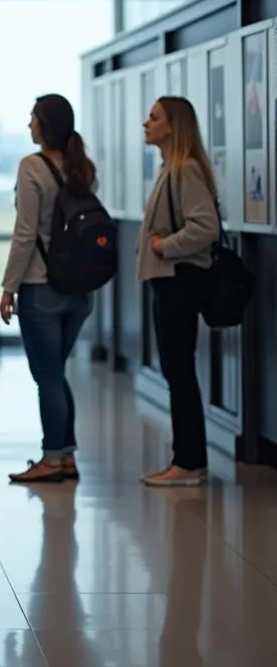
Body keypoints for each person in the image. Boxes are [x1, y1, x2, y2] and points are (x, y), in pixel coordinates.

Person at [0, 94, 96, 484]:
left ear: (45, 124)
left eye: (33, 118)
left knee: (48, 377)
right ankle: (66, 456)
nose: (28, 125)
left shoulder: (32, 166)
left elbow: (25, 233)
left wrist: (9, 287)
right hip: (79, 289)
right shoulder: (81, 166)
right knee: (57, 373)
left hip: (41, 287)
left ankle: (52, 458)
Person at [138, 96, 219, 487]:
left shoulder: (184, 169)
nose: (146, 123)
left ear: (173, 126)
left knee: (179, 371)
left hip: (179, 281)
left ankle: (187, 463)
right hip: (168, 281)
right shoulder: (169, 168)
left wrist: (162, 247)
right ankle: (188, 460)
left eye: (153, 118)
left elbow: (205, 227)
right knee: (176, 370)